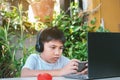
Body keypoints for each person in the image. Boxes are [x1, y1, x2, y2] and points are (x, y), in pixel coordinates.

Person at [21, 26, 87, 77]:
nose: (57, 53)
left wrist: (80, 73)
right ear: (40, 46)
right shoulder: (34, 58)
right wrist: (60, 72)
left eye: (61, 48)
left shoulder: (63, 60)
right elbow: (24, 73)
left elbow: (70, 72)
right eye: (53, 47)